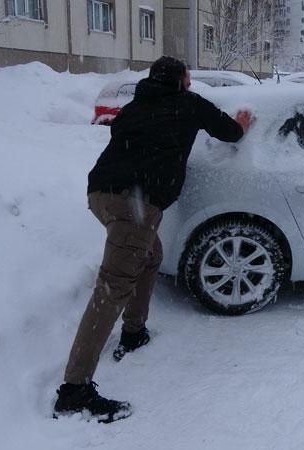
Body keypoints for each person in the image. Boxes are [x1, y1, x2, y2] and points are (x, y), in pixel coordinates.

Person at [53, 56, 252, 423]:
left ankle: (134, 331)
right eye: (188, 79)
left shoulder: (135, 106)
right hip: (134, 204)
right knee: (112, 288)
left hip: (101, 195)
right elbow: (229, 132)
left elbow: (123, 137)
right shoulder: (189, 104)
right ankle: (74, 390)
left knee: (150, 255)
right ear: (179, 81)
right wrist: (241, 124)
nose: (190, 84)